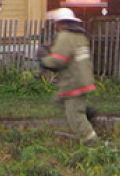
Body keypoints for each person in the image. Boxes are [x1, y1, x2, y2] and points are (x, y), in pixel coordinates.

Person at [38, 8, 98, 145]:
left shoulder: (65, 36)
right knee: (58, 100)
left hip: (73, 81)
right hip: (83, 78)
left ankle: (92, 142)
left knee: (74, 115)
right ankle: (87, 113)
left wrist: (44, 61)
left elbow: (59, 60)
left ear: (60, 23)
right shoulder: (79, 36)